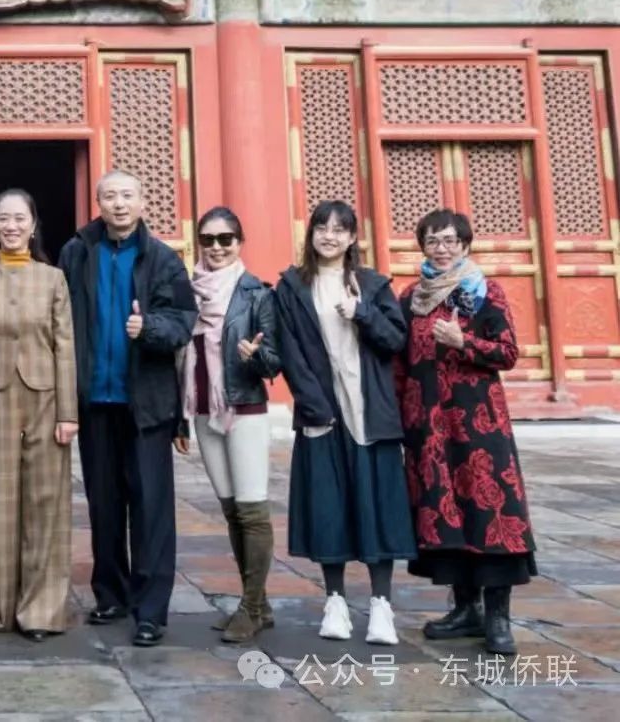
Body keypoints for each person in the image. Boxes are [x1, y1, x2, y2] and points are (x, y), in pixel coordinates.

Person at [58, 170, 194, 648]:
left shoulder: (163, 259)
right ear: (98, 202)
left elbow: (182, 321)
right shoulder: (77, 252)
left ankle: (150, 609)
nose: (119, 204)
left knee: (151, 507)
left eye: (127, 196)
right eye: (110, 196)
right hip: (96, 400)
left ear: (142, 202)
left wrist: (148, 328)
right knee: (105, 503)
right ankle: (111, 593)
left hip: (147, 404)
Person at [275, 200, 416, 646]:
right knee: (328, 507)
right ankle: (334, 601)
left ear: (353, 237)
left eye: (339, 229)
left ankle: (381, 606)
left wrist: (363, 313)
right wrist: (313, 405)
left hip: (369, 412)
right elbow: (290, 351)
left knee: (378, 507)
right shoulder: (292, 286)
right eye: (322, 227)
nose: (329, 236)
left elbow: (395, 340)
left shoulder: (372, 285)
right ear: (311, 233)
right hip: (323, 412)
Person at [398, 209, 536, 656]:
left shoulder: (484, 291)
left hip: (478, 424)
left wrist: (464, 342)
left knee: (490, 511)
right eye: (432, 241)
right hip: (430, 427)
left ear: (464, 245)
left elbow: (508, 352)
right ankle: (465, 608)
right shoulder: (411, 297)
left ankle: (498, 617)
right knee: (448, 516)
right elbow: (399, 362)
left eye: (449, 240)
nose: (441, 249)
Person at [0, 189, 77, 642]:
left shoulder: (53, 279)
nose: (11, 226)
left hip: (46, 396)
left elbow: (65, 346)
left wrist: (68, 412)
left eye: (19, 218)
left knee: (47, 502)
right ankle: (5, 608)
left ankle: (41, 610)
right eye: (4, 219)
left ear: (33, 225)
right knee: (3, 501)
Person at [174, 206, 281, 644]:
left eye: (225, 239)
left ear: (239, 242)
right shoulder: (188, 293)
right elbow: (179, 358)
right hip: (203, 410)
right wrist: (180, 419)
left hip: (244, 408)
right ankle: (259, 603)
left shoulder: (257, 293)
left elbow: (274, 362)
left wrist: (254, 356)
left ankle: (250, 607)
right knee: (232, 509)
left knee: (253, 510)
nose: (216, 247)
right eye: (208, 239)